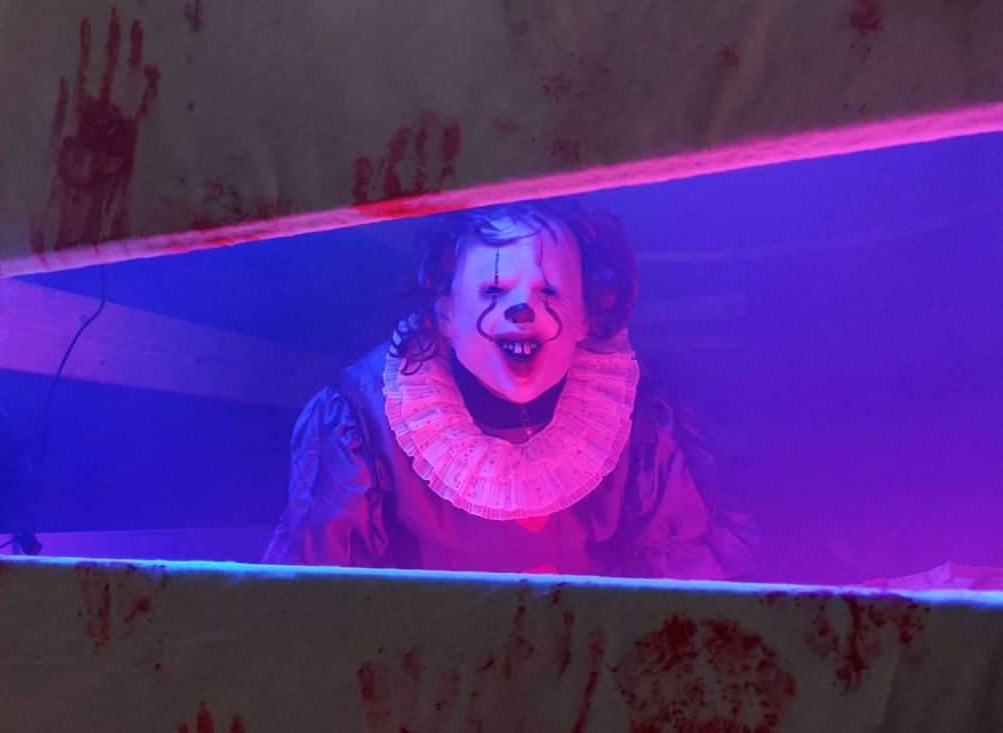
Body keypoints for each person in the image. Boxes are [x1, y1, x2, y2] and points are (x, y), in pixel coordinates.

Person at [264, 199, 757, 578]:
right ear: (445, 315)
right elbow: (329, 600)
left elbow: (681, 584)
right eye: (494, 290)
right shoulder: (360, 418)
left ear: (585, 318)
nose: (522, 310)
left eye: (549, 291)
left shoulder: (640, 415)